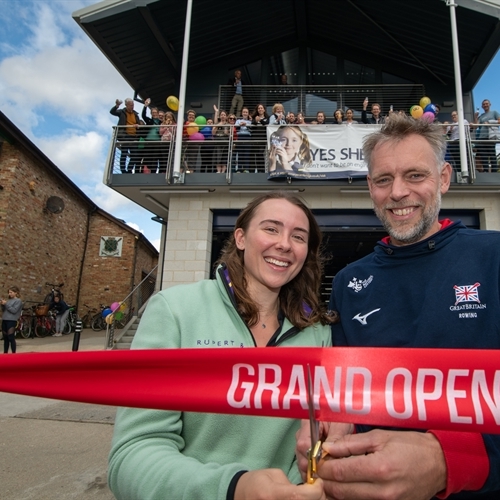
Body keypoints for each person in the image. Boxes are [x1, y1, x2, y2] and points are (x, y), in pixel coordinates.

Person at [296, 114, 500, 499]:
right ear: (370, 186)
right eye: (383, 180)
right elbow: (346, 391)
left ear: (443, 179)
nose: (398, 192)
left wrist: (451, 460)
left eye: (415, 176)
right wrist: (333, 424)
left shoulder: (493, 256)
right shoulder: (348, 282)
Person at [108, 191, 335, 500]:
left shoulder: (318, 332)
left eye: (298, 236)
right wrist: (233, 488)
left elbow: (318, 438)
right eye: (271, 228)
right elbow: (132, 457)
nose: (284, 243)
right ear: (240, 238)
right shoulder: (175, 310)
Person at [110, 98, 141, 173]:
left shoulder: (135, 114)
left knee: (135, 155)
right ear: (126, 105)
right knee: (124, 153)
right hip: (125, 136)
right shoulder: (122, 112)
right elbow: (112, 112)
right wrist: (117, 106)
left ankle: (129, 169)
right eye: (130, 105)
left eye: (133, 105)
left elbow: (139, 124)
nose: (132, 106)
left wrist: (138, 125)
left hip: (134, 137)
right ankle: (123, 171)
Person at [473, 99, 500, 173]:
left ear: (490, 104)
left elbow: (499, 121)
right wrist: (476, 117)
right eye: (484, 104)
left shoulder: (494, 112)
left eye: (486, 103)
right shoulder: (481, 116)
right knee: (484, 156)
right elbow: (476, 126)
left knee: (492, 155)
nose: (485, 105)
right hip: (481, 138)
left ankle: (494, 171)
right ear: (482, 106)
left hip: (490, 137)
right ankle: (486, 171)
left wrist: (490, 122)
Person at [141, 98, 162, 173]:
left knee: (155, 157)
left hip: (157, 142)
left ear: (158, 113)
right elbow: (143, 115)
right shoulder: (149, 120)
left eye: (155, 112)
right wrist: (145, 106)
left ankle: (153, 172)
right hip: (148, 140)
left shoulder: (161, 122)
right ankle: (146, 172)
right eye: (152, 112)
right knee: (147, 157)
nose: (154, 114)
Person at [2, 286, 22, 353]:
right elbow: (4, 310)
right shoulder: (8, 301)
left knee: (11, 337)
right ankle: (5, 353)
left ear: (16, 293)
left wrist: (6, 304)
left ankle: (13, 353)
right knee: (5, 338)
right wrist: (2, 305)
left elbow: (14, 310)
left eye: (11, 292)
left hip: (12, 320)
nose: (9, 294)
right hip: (5, 319)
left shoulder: (18, 301)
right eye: (9, 292)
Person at [251, 103, 269, 172]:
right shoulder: (254, 117)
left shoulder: (267, 118)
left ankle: (261, 170)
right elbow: (251, 125)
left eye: (261, 108)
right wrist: (256, 121)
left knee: (260, 154)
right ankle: (253, 171)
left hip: (263, 139)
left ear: (264, 110)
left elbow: (267, 124)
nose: (260, 109)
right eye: (259, 108)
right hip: (254, 139)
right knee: (254, 155)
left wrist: (260, 120)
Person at [235, 107, 252, 173]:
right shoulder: (238, 121)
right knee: (240, 153)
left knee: (246, 153)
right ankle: (239, 169)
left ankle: (246, 169)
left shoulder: (250, 121)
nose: (245, 113)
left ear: (248, 114)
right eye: (244, 112)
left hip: (247, 136)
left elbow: (251, 129)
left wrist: (246, 125)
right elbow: (235, 127)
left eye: (246, 112)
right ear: (242, 113)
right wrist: (240, 124)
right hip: (240, 136)